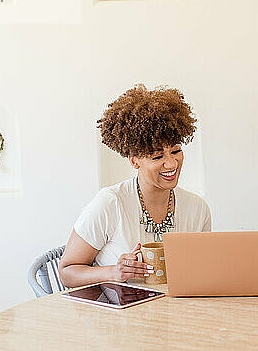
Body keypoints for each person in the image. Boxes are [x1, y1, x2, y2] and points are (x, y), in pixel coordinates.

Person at [59, 85, 211, 288]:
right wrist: (114, 272)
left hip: (179, 312)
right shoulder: (110, 203)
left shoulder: (198, 209)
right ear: (134, 161)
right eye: (157, 156)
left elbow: (204, 270)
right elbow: (67, 272)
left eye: (175, 151)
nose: (172, 164)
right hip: (121, 315)